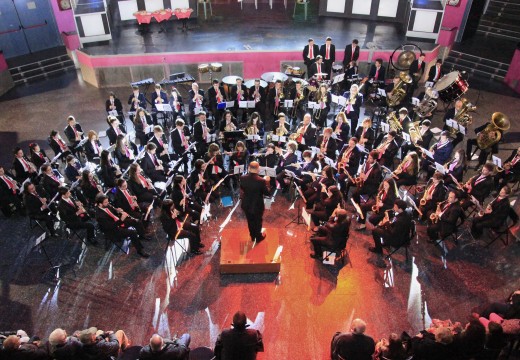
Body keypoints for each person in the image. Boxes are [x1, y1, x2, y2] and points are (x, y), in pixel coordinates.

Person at [240, 161, 270, 242]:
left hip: (246, 203)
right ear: (258, 169)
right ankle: (258, 237)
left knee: (250, 221)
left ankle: (252, 236)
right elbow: (267, 193)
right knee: (258, 221)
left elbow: (242, 188)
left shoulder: (242, 178)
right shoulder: (261, 180)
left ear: (249, 168)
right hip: (257, 205)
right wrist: (267, 182)